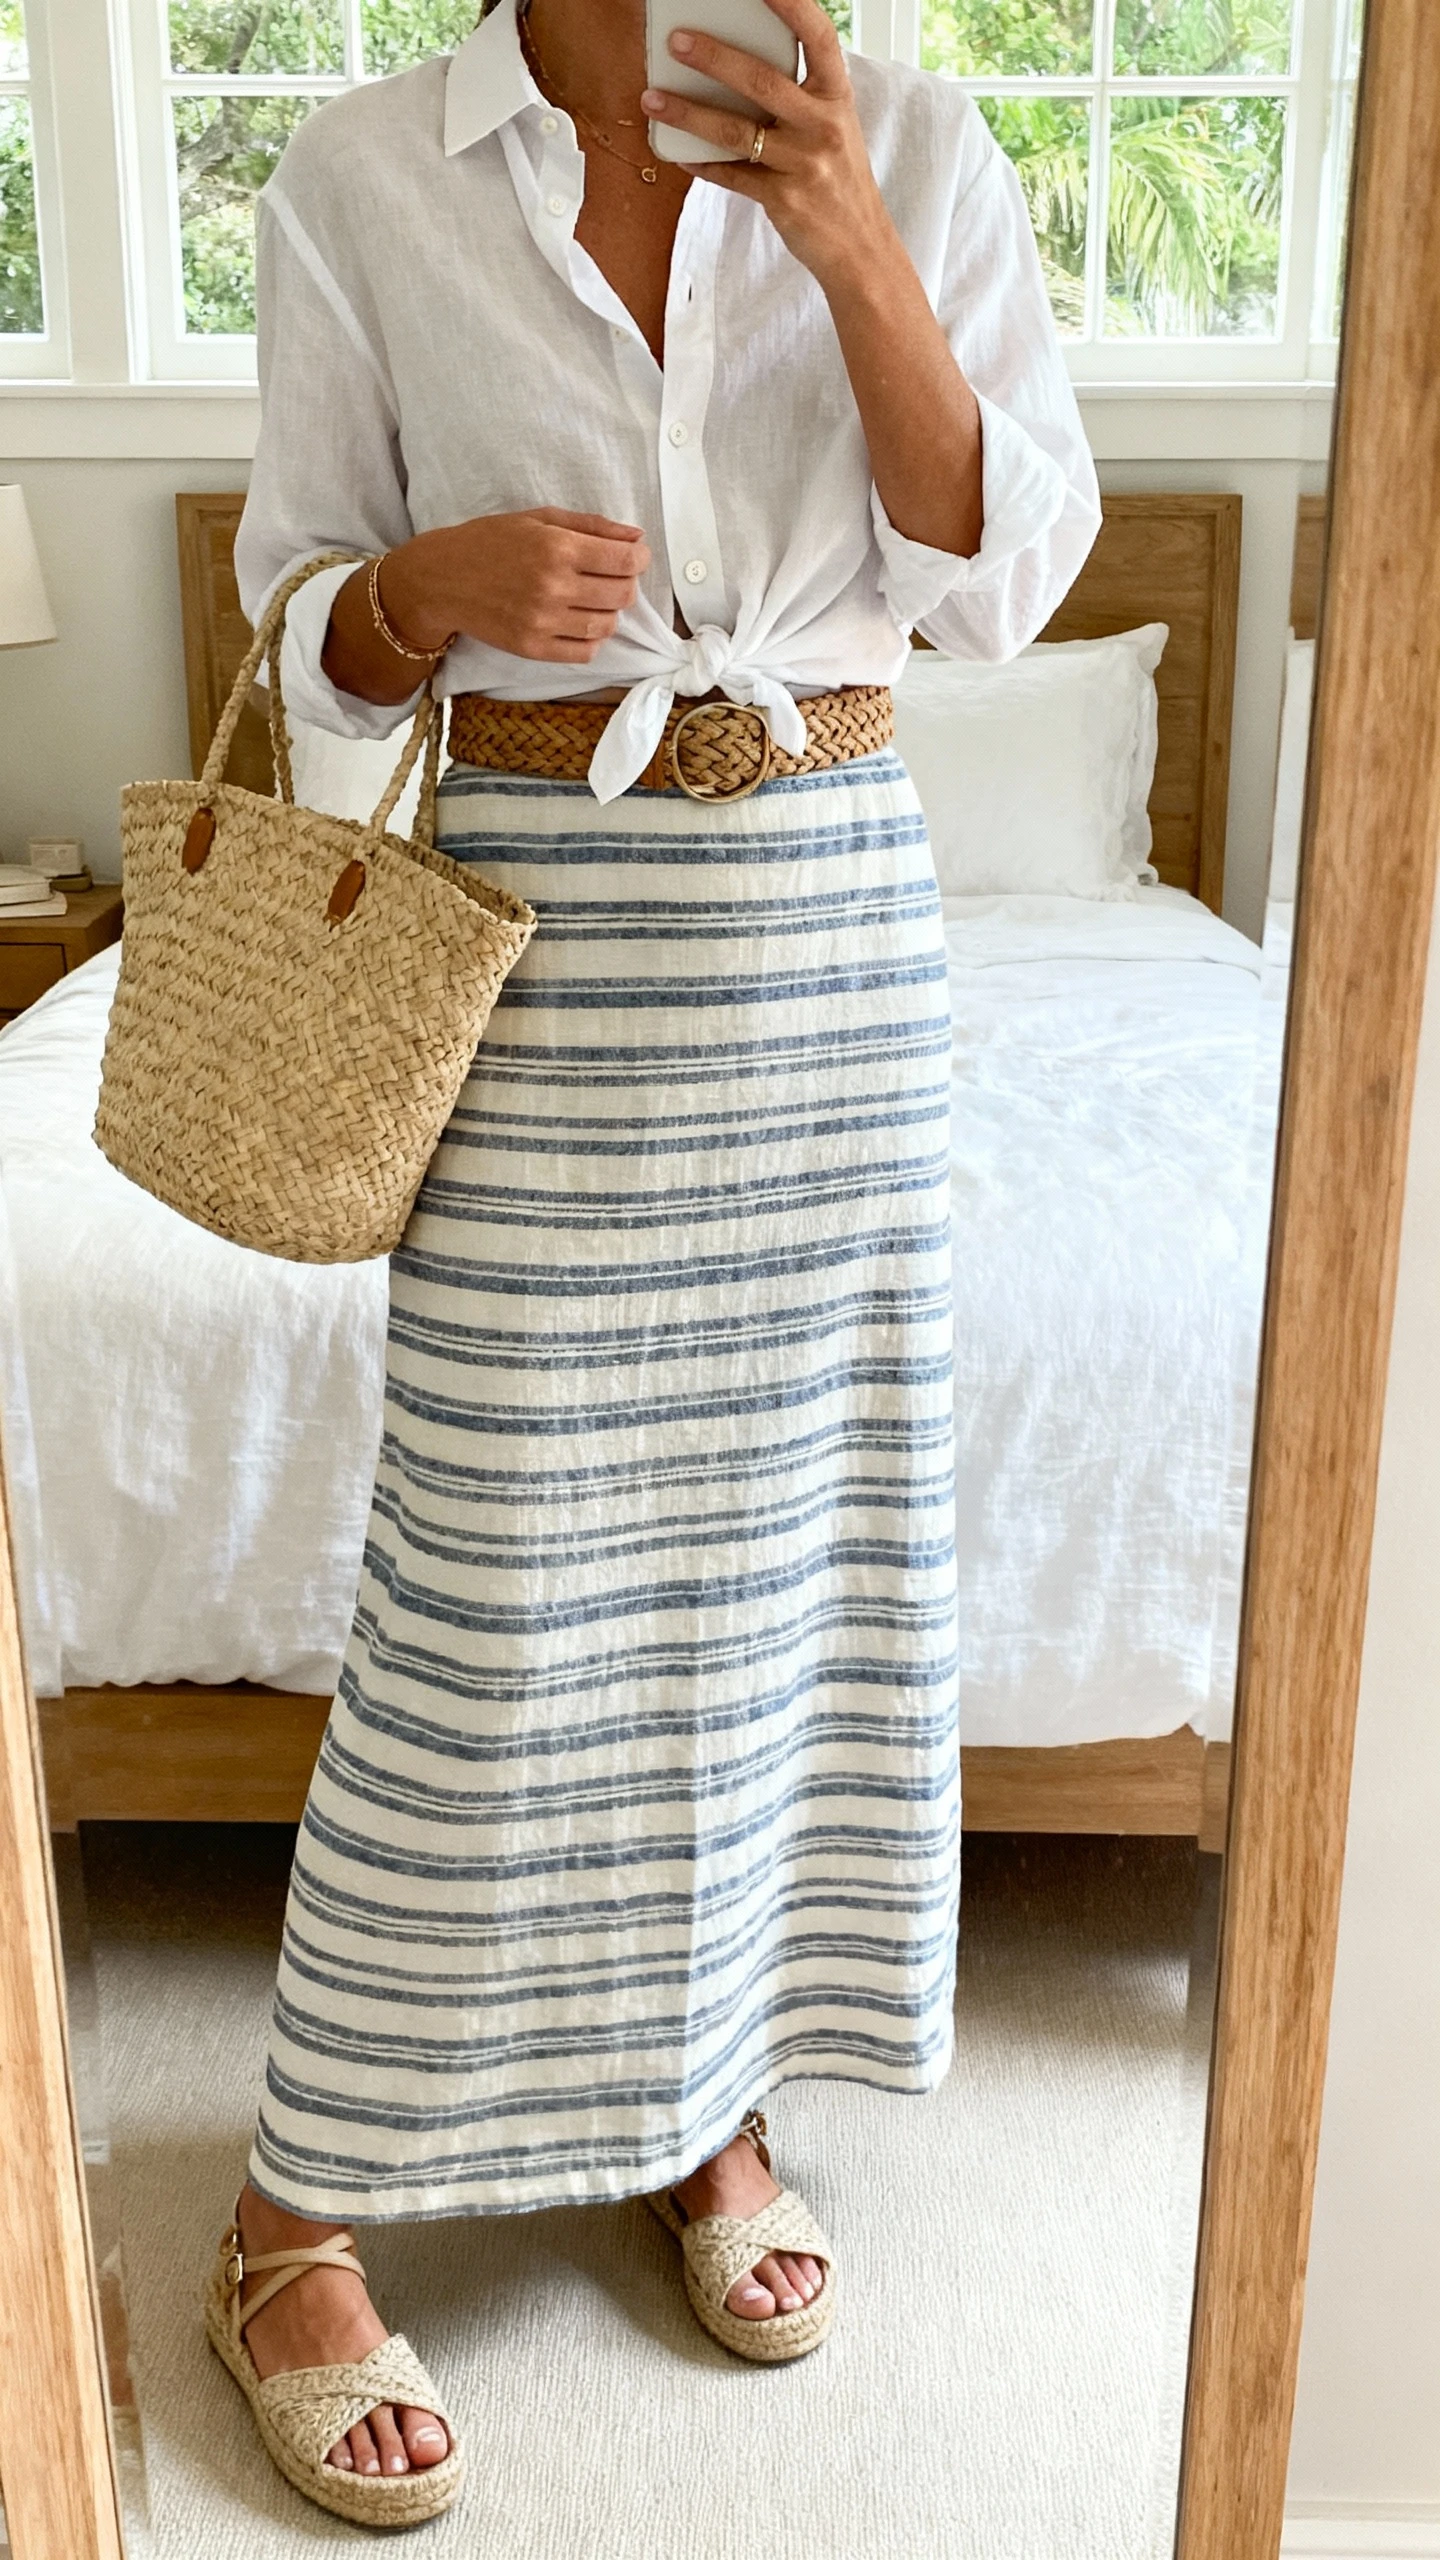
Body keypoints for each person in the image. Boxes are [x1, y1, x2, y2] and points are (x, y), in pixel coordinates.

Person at [210, 0, 1100, 2524]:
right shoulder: (367, 170)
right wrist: (415, 588)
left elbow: (1011, 579)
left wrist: (848, 240)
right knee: (492, 1594)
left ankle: (706, 2106)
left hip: (832, 949)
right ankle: (293, 2204)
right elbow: (296, 638)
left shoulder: (918, 141)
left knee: (776, 1582)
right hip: (525, 953)